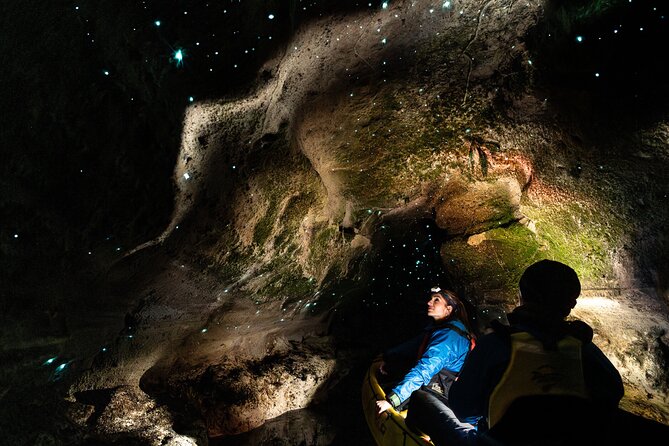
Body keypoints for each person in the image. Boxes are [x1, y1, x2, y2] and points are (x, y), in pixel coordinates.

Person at [405, 259, 625, 446]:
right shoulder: (584, 349)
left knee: (421, 400)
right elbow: (611, 397)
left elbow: (464, 409)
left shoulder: (496, 344)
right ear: (570, 304)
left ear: (521, 296)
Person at [376, 287, 474, 415]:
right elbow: (413, 345)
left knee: (393, 393)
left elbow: (425, 369)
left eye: (436, 300)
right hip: (435, 385)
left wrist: (393, 399)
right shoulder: (442, 328)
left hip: (437, 393)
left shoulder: (448, 337)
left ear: (448, 309)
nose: (429, 302)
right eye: (431, 299)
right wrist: (388, 357)